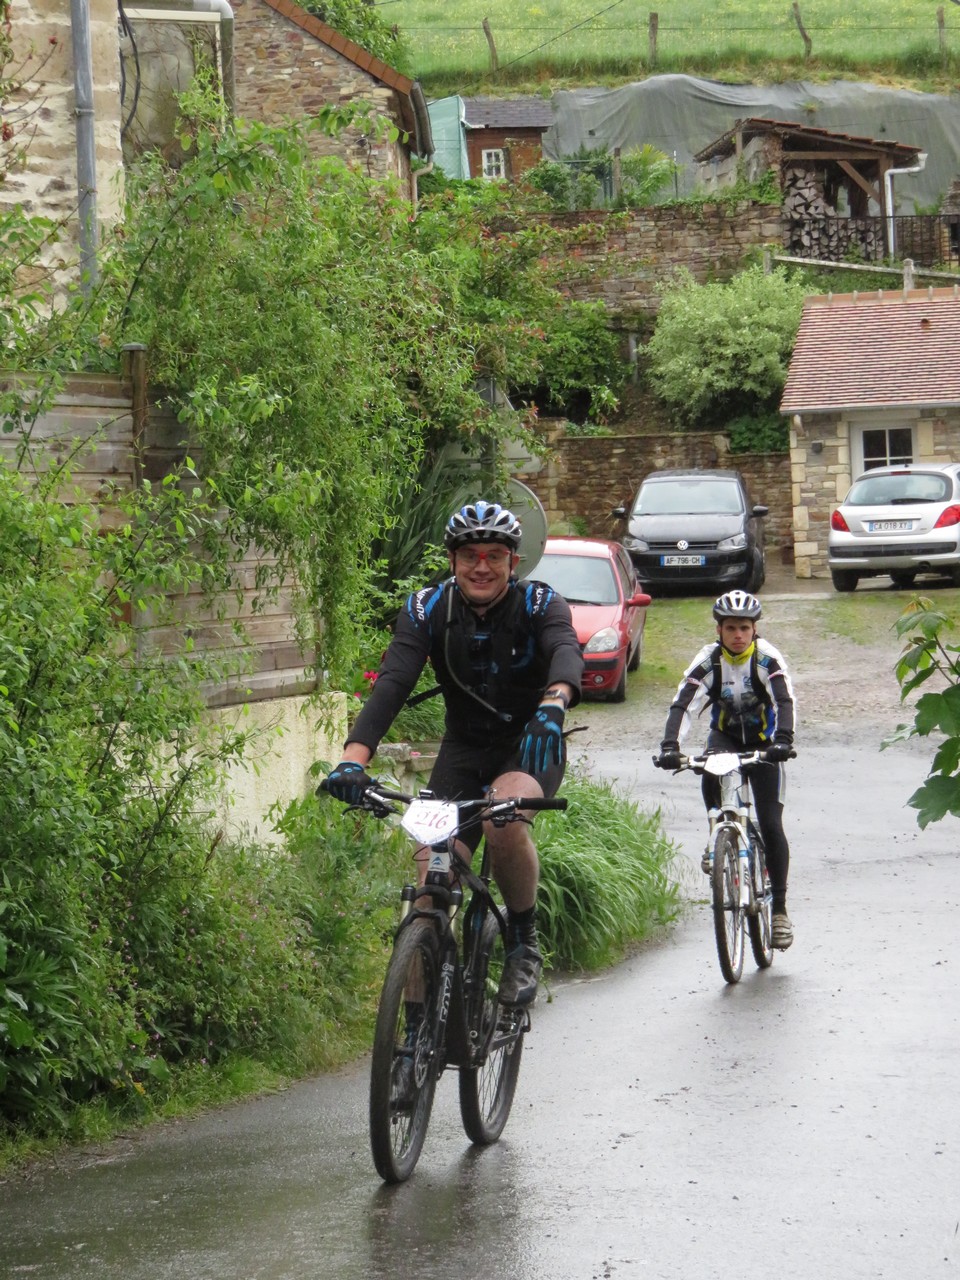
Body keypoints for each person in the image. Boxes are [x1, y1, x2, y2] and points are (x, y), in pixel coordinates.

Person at [324, 500, 584, 1006]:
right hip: (462, 752)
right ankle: (414, 1032)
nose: (481, 567)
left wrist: (554, 704)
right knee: (428, 893)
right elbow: (394, 681)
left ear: (513, 561)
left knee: (502, 822)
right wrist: (353, 760)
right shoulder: (428, 608)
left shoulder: (539, 602)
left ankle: (523, 941)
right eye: (469, 556)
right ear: (452, 560)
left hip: (530, 744)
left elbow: (564, 649)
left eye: (494, 556)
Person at [655, 589, 797, 949]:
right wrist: (670, 746)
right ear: (718, 629)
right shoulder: (709, 660)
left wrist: (783, 740)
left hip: (765, 743)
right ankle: (716, 834)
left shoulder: (767, 659)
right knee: (707, 764)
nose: (738, 635)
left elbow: (783, 700)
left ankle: (780, 910)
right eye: (730, 628)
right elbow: (683, 703)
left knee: (770, 823)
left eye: (744, 628)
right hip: (726, 738)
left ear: (754, 629)